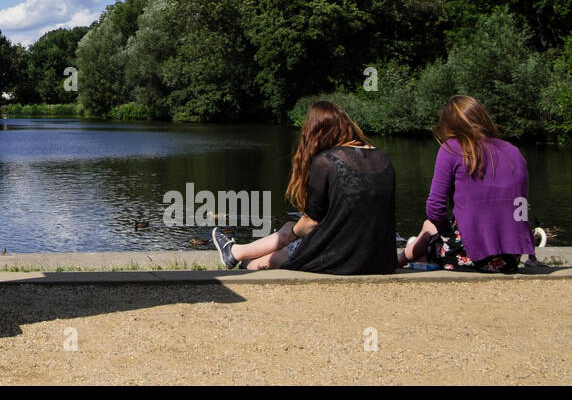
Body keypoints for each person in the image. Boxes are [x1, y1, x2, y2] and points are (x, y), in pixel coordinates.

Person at [212, 101, 397, 274]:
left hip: (343, 260)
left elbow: (311, 223)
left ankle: (237, 253)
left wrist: (290, 235)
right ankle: (235, 251)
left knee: (252, 263)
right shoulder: (383, 157)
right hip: (381, 260)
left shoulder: (327, 161)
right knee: (290, 232)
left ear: (316, 132)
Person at [400, 95, 535, 273]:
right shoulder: (514, 151)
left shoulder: (451, 148)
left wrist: (445, 232)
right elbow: (521, 206)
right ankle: (409, 256)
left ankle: (399, 259)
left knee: (428, 227)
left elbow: (434, 208)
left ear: (448, 125)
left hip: (468, 255)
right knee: (431, 237)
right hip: (510, 258)